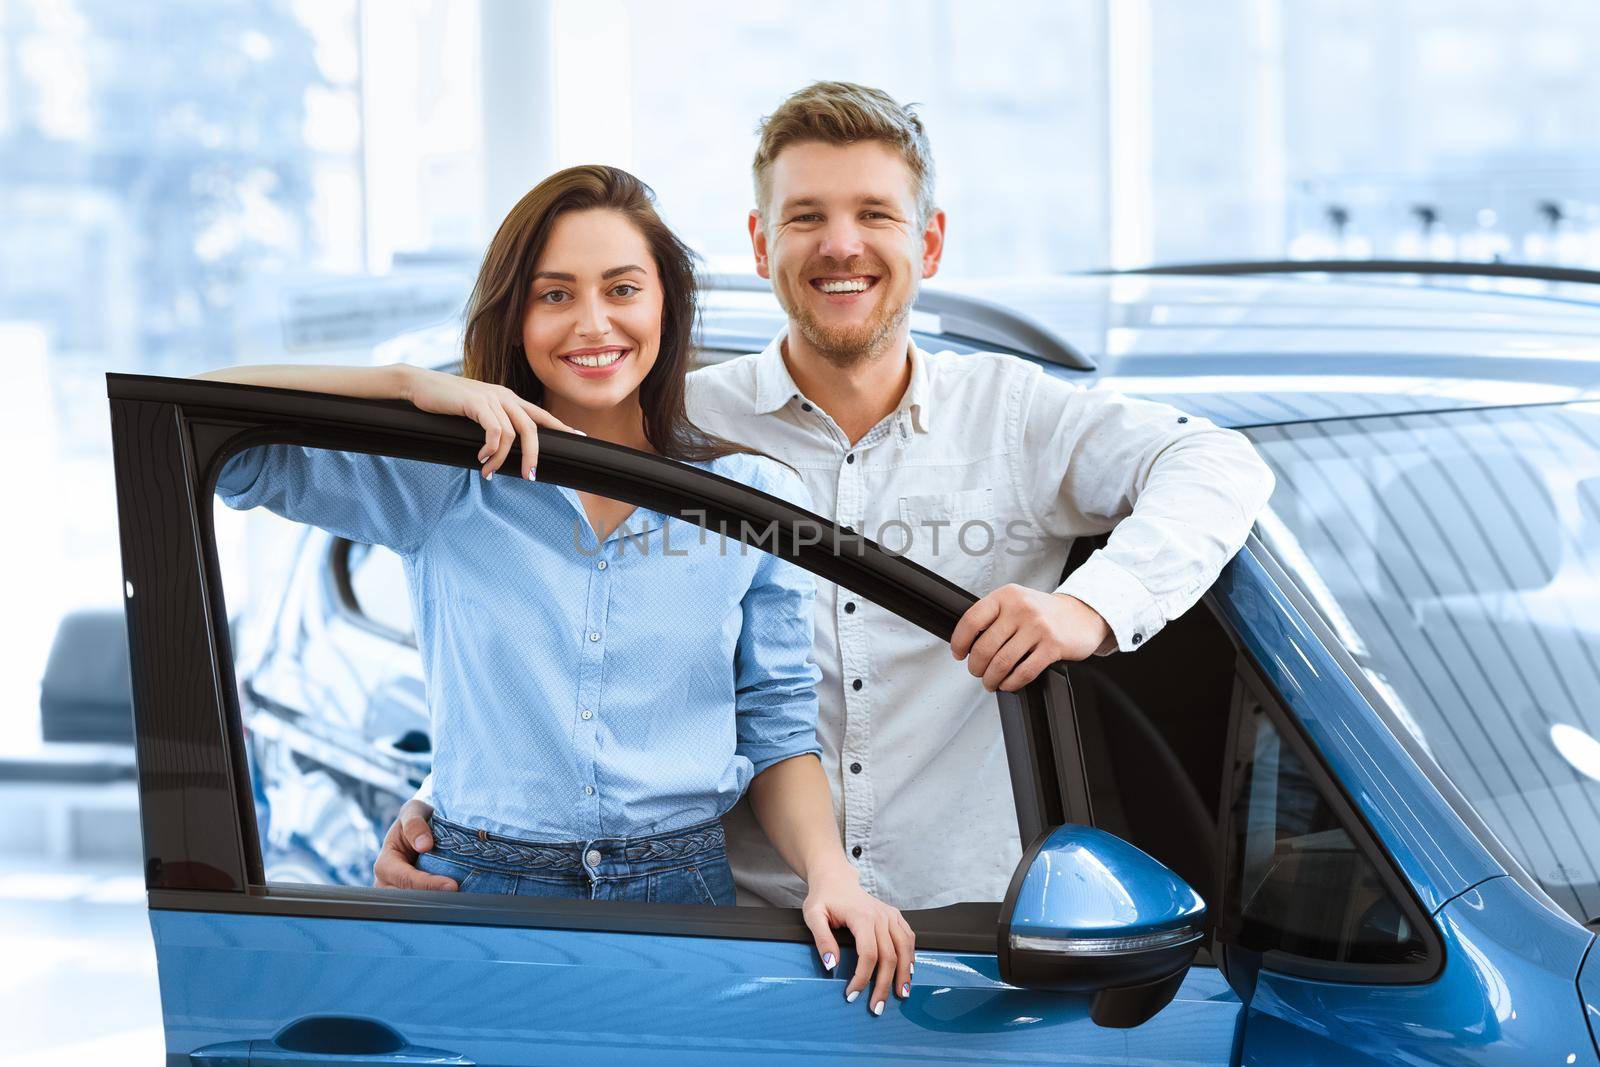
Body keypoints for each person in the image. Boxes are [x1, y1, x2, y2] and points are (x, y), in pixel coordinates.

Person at [378, 82, 1276, 913]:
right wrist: (458, 803)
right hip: (737, 926)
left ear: (928, 242)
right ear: (762, 243)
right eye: (805, 217)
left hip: (967, 930)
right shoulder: (672, 430)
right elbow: (556, 609)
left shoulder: (1016, 417)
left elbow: (1217, 464)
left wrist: (1090, 606)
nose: (840, 244)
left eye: (874, 214)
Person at [200, 164, 913, 1015]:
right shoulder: (447, 484)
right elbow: (218, 428)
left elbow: (777, 726)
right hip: (480, 888)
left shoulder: (751, 498)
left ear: (664, 305)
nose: (593, 323)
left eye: (622, 289)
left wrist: (832, 876)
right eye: (555, 295)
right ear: (517, 315)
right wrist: (408, 385)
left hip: (679, 894)